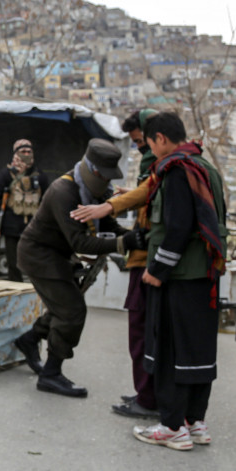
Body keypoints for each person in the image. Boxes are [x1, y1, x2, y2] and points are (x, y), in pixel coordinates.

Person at [12, 138, 145, 398]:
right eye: (104, 176)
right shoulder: (64, 191)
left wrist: (130, 237)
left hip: (57, 255)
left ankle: (29, 340)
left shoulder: (94, 190)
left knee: (63, 307)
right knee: (72, 311)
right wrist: (123, 242)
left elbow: (106, 225)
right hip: (38, 255)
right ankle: (50, 374)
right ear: (91, 170)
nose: (107, 182)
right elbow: (79, 240)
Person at [130, 112, 226, 450]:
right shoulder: (206, 167)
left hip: (179, 277)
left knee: (170, 350)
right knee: (198, 351)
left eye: (149, 143)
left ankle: (172, 426)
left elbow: (178, 228)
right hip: (206, 276)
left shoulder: (175, 170)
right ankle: (194, 422)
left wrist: (156, 270)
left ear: (159, 139)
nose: (150, 150)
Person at [69, 109, 160, 419]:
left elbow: (150, 194)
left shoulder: (164, 166)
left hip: (149, 261)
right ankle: (147, 393)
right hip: (148, 258)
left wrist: (110, 208)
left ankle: (148, 398)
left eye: (141, 142)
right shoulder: (65, 190)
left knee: (142, 332)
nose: (140, 149)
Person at [0, 139, 50, 281]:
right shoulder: (7, 174)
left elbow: (47, 200)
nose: (26, 154)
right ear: (16, 153)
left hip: (33, 226)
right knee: (13, 263)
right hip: (12, 226)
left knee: (34, 261)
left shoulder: (39, 175)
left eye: (29, 152)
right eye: (23, 152)